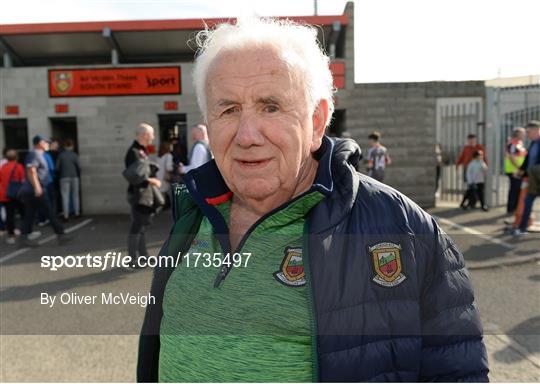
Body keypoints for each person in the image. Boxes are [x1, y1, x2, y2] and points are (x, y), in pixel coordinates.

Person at [137, 18, 488, 382]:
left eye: (270, 106)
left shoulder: (406, 230)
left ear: (317, 121)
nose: (247, 135)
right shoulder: (193, 214)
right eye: (228, 110)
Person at [19, 135, 70, 246]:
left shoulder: (40, 155)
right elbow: (31, 171)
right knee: (49, 211)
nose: (48, 144)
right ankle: (61, 235)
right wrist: (37, 187)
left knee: (29, 214)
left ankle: (23, 239)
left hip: (34, 190)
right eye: (45, 142)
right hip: (35, 190)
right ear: (38, 143)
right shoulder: (34, 154)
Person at [124, 123, 161, 267]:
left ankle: (143, 256)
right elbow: (134, 176)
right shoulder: (133, 152)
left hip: (144, 194)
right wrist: (151, 180)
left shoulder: (141, 150)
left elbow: (142, 170)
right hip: (138, 195)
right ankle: (132, 259)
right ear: (144, 135)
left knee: (142, 226)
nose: (153, 137)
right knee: (137, 226)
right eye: (151, 134)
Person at [514, 120, 540, 236]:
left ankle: (522, 227)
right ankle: (522, 227)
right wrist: (521, 171)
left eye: (528, 131)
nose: (527, 134)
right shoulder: (533, 143)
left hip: (537, 177)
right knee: (528, 201)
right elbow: (528, 160)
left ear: (536, 130)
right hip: (533, 179)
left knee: (528, 201)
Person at [0, 149, 25, 244]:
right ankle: (26, 232)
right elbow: (22, 180)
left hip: (5, 194)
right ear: (16, 157)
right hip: (18, 194)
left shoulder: (3, 167)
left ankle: (11, 235)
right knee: (24, 213)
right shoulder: (18, 166)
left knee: (9, 215)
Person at [56, 139, 81, 221]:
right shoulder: (74, 155)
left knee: (65, 196)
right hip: (74, 176)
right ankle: (77, 213)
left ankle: (66, 216)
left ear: (64, 146)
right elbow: (79, 166)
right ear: (72, 146)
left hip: (64, 177)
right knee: (75, 195)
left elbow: (57, 167)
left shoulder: (61, 155)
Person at [504, 127, 527, 215]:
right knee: (514, 190)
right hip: (514, 170)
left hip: (518, 170)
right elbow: (511, 157)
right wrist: (519, 168)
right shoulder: (512, 144)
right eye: (523, 133)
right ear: (517, 134)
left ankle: (516, 208)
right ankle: (511, 209)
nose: (524, 135)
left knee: (518, 190)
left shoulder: (519, 143)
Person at [157, 141, 174, 209]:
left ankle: (160, 208)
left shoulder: (159, 156)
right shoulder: (169, 155)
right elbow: (168, 167)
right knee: (170, 193)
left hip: (158, 177)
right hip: (165, 178)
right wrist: (174, 167)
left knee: (161, 193)